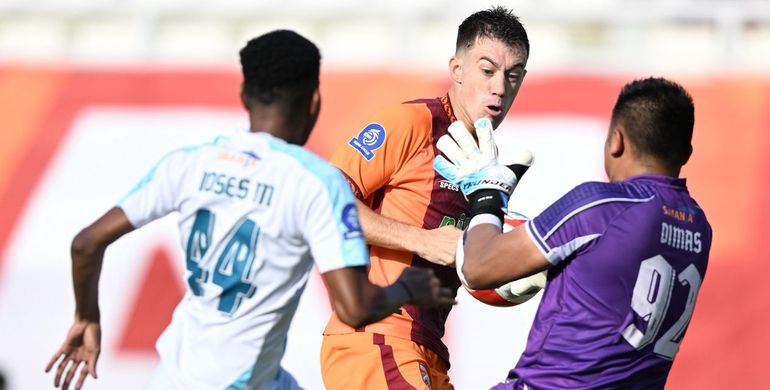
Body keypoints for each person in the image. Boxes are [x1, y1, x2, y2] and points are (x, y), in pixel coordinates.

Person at [44, 30, 455, 390]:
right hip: (237, 380)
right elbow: (354, 307)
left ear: (244, 96)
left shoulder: (191, 162)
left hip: (178, 375)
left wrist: (87, 317)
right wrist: (408, 289)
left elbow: (85, 244)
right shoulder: (314, 182)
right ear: (314, 100)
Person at [436, 77, 712, 389]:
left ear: (616, 141)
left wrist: (488, 194)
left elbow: (478, 267)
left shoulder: (601, 205)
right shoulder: (699, 226)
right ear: (686, 153)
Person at [321, 6, 530, 390]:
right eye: (487, 71)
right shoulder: (411, 124)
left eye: (512, 75)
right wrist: (422, 241)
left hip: (428, 349)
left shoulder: (485, 164)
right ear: (457, 69)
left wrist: (506, 267)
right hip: (376, 337)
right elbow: (321, 201)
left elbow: (463, 259)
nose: (499, 87)